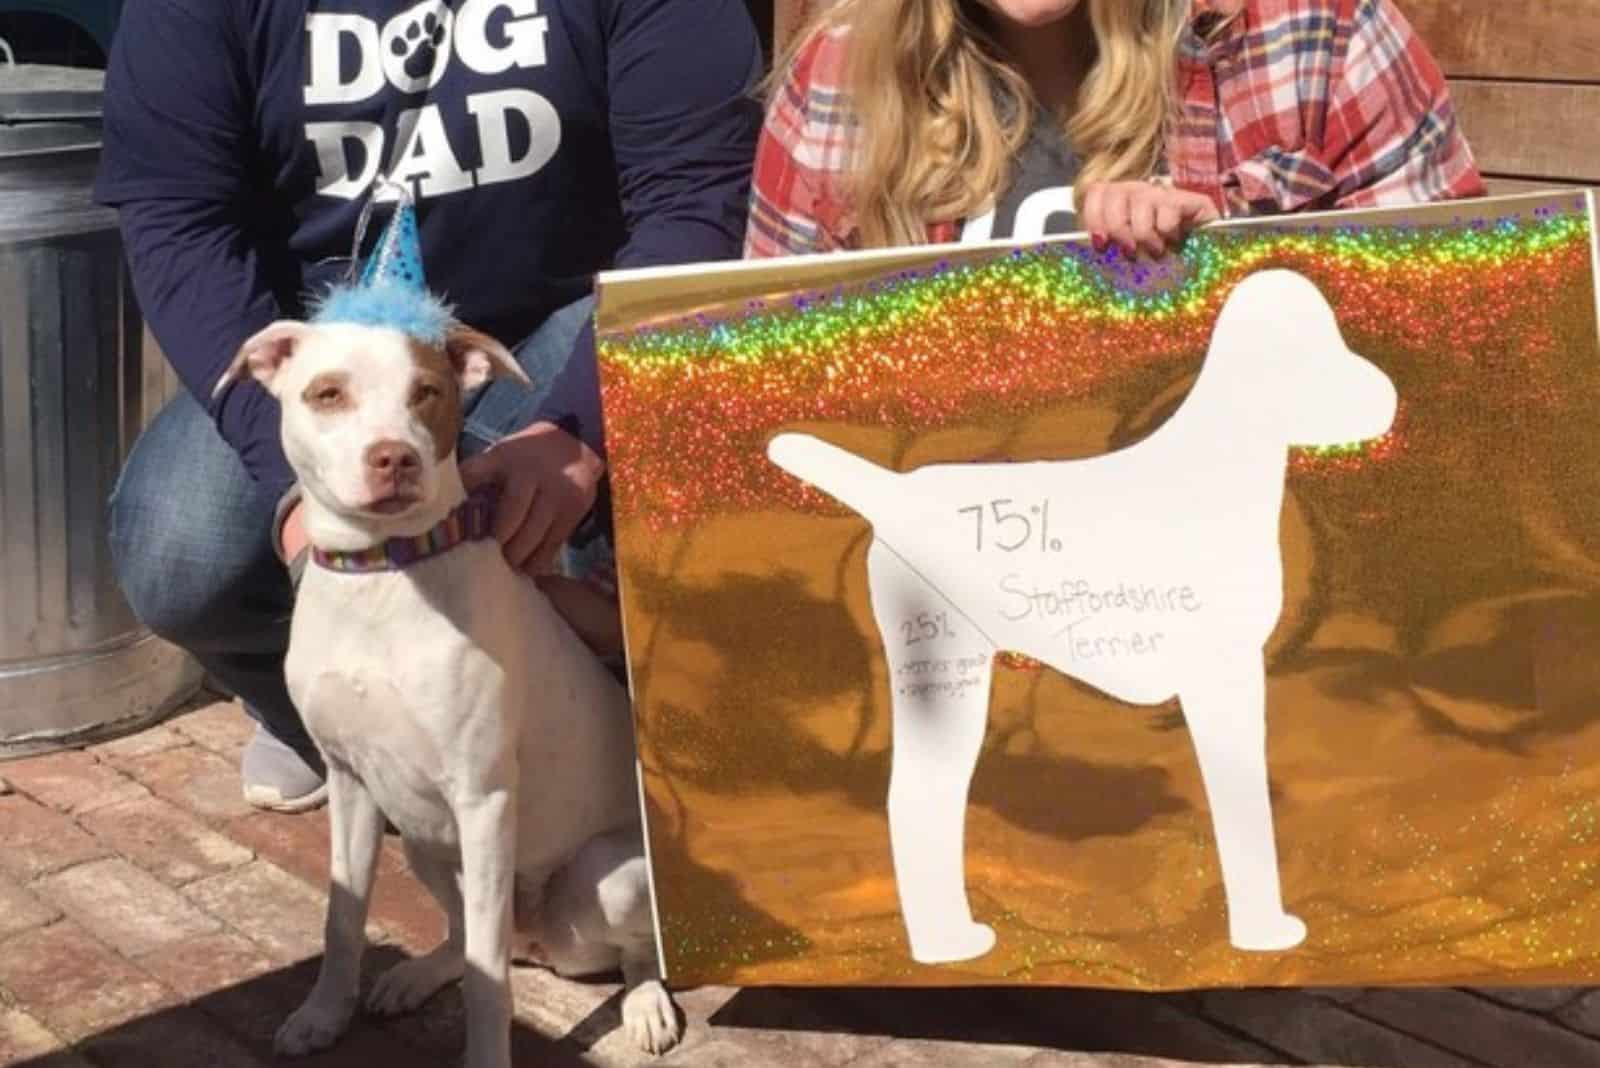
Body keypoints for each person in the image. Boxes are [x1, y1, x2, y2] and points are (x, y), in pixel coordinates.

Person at [97, 0, 763, 812]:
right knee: (181, 553)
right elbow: (178, 221)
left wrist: (580, 428)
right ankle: (317, 712)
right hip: (325, 338)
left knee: (562, 539)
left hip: (553, 324)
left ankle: (566, 748)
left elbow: (697, 200)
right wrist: (293, 479)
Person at [746, 0, 1484, 259]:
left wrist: (1233, 255)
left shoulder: (1321, 37)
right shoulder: (840, 74)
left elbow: (1471, 328)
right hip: (957, 578)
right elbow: (762, 375)